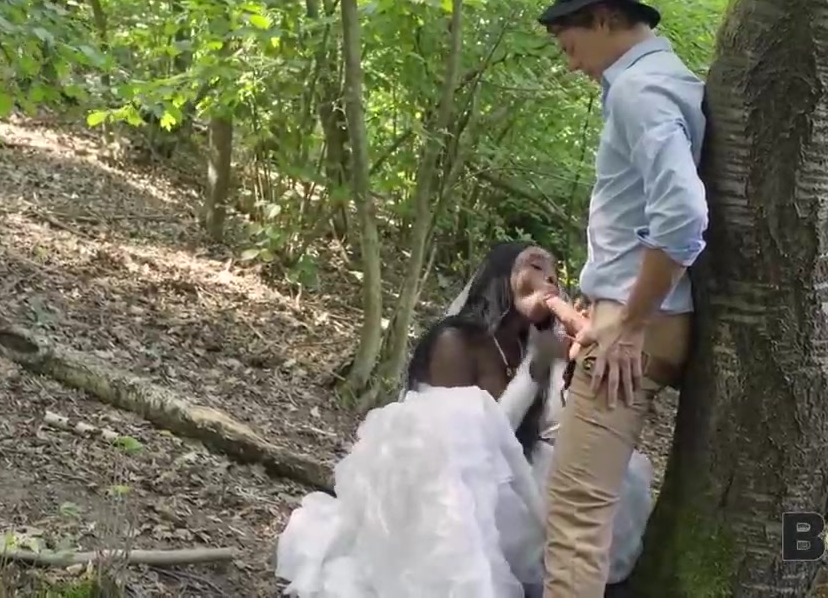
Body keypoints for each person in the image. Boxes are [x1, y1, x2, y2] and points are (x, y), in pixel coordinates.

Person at [274, 241, 654, 597]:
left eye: (554, 275)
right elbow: (469, 441)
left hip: (512, 472)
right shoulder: (454, 341)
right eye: (536, 266)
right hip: (446, 480)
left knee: (614, 482)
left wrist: (568, 364)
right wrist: (534, 369)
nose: (549, 279)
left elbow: (549, 428)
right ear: (501, 274)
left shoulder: (534, 345)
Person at [535, 0, 710, 597]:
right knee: (583, 509)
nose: (571, 63)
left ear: (606, 18)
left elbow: (684, 215)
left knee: (576, 518)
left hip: (637, 326)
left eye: (570, 44)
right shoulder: (667, 82)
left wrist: (630, 322)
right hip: (646, 317)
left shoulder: (640, 92)